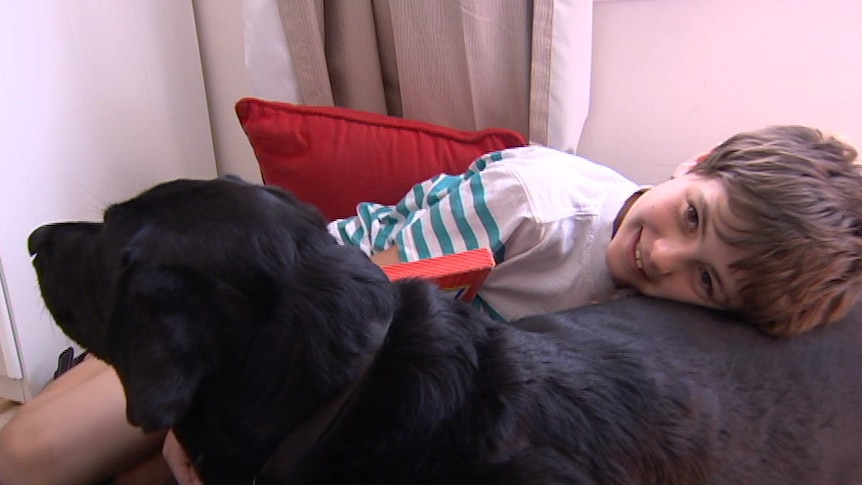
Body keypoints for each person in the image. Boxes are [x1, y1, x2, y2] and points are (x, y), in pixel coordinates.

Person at [0, 125, 859, 485]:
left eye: (703, 279)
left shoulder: (644, 316)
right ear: (694, 161)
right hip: (260, 311)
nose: (663, 255)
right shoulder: (539, 200)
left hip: (332, 396)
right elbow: (356, 294)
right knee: (26, 454)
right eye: (693, 215)